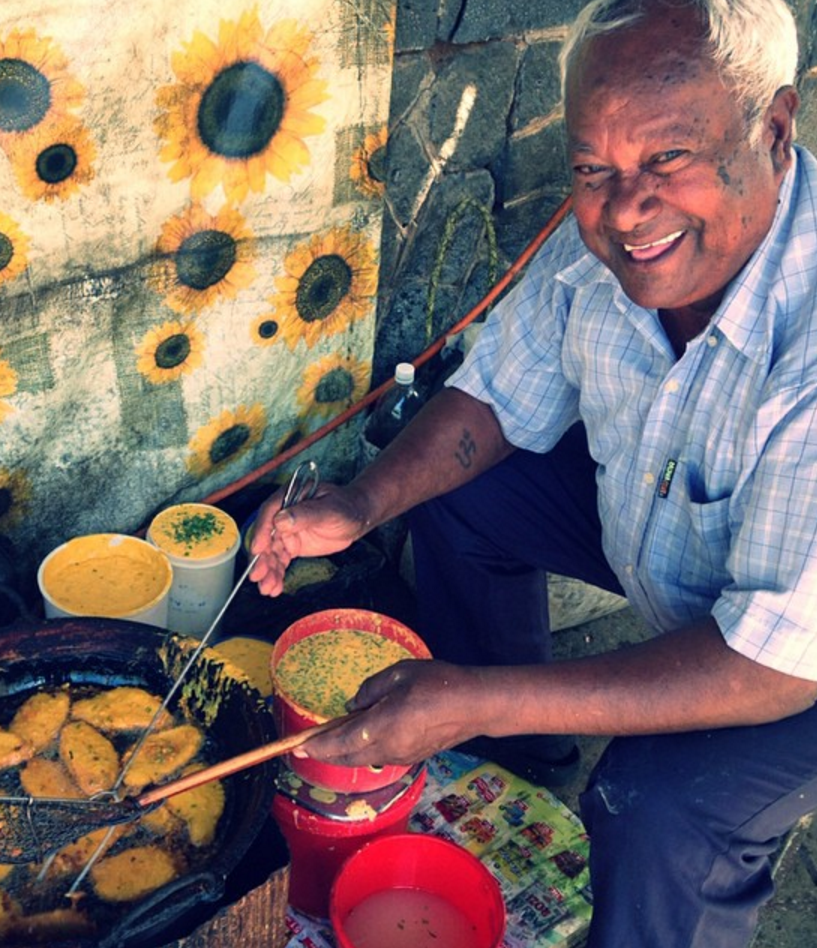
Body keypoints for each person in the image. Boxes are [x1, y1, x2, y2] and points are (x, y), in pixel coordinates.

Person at [250, 0, 817, 944]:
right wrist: (360, 503)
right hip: (678, 541)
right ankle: (515, 765)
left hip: (796, 658)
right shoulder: (598, 255)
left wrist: (474, 689)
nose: (626, 210)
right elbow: (498, 400)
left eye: (668, 159)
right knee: (459, 489)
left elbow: (773, 657)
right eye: (593, 169)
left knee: (657, 813)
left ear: (775, 125)